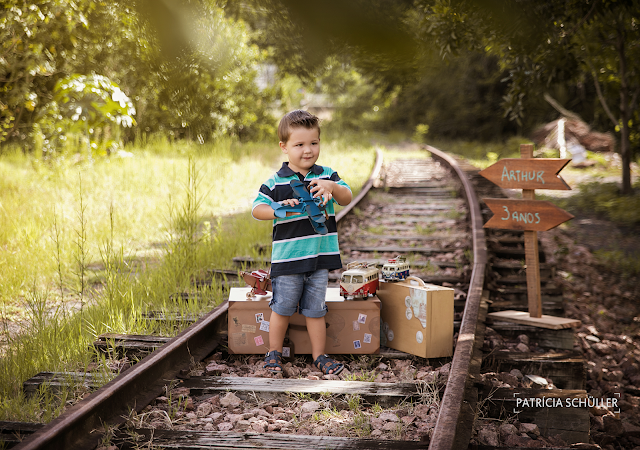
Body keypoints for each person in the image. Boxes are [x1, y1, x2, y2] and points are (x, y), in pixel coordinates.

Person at [252, 110, 352, 375]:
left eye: (314, 143)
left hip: (319, 259)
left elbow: (347, 197)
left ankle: (319, 355)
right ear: (284, 147)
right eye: (299, 145)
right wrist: (276, 207)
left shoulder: (327, 175)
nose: (308, 150)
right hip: (288, 258)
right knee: (282, 308)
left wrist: (331, 187)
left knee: (316, 310)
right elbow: (257, 209)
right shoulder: (276, 181)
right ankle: (273, 352)